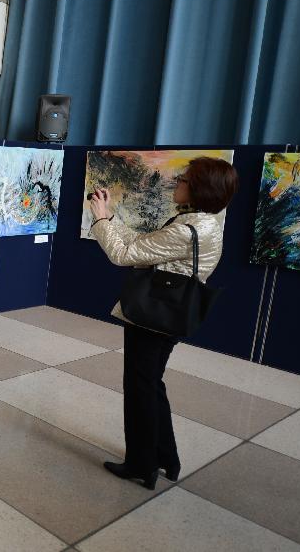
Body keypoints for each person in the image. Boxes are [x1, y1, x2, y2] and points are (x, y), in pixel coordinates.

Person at [87, 156, 238, 489]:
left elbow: (123, 255)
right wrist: (111, 217)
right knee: (152, 383)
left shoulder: (186, 230)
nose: (177, 183)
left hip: (153, 316)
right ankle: (166, 457)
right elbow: (143, 246)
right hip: (168, 314)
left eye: (184, 180)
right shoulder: (204, 223)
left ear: (199, 188)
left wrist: (99, 222)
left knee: (140, 387)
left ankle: (142, 464)